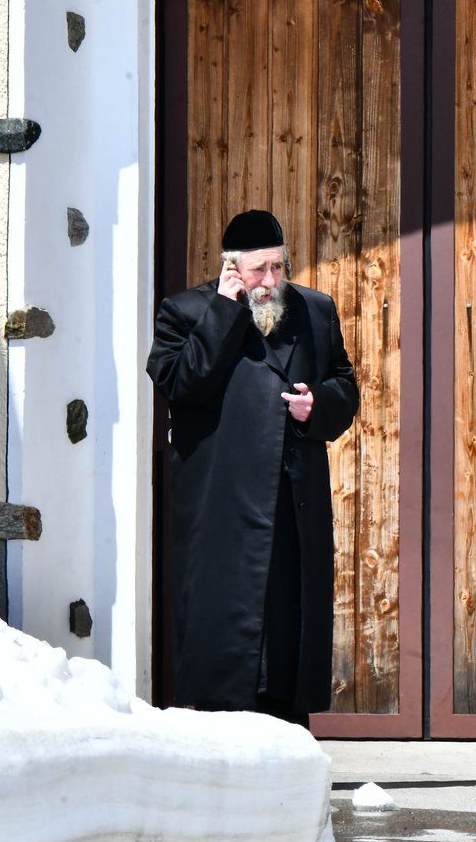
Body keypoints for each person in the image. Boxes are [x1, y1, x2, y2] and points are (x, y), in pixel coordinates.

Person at [146, 209, 359, 726]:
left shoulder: (316, 309)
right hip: (220, 504)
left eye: (278, 268)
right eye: (257, 270)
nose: (269, 282)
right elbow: (179, 382)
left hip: (292, 501)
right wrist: (224, 308)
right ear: (231, 268)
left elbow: (345, 385)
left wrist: (319, 407)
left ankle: (289, 742)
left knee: (287, 631)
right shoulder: (187, 311)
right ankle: (223, 745)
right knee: (226, 633)